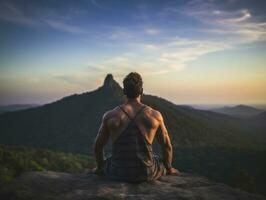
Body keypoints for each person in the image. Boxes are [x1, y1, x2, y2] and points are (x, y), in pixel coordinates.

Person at [93, 72, 180, 182]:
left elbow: (98, 147)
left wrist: (100, 167)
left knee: (110, 159)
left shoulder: (110, 116)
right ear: (141, 91)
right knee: (157, 158)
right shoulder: (155, 115)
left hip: (117, 172)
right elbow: (167, 146)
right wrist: (169, 168)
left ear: (124, 91)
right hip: (147, 172)